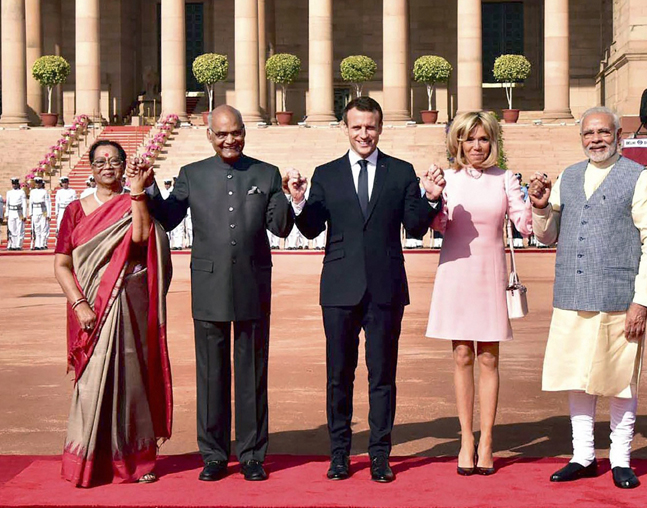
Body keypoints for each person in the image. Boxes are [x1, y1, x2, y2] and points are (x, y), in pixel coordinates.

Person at [285, 97, 445, 483]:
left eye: (370, 126)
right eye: (356, 127)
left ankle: (379, 454)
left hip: (386, 288)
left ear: (380, 127)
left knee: (382, 375)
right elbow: (310, 228)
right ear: (345, 127)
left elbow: (417, 227)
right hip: (339, 288)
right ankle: (339, 453)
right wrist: (298, 198)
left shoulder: (401, 171)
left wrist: (430, 197)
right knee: (338, 375)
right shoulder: (327, 173)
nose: (364, 134)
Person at [133, 105, 294, 482]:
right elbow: (169, 218)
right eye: (221, 134)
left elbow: (282, 228)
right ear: (209, 136)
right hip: (208, 285)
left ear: (244, 132)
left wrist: (287, 195)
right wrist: (150, 186)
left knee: (252, 373)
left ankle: (253, 455)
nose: (229, 140)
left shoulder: (266, 173)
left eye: (235, 133)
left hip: (253, 284)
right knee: (211, 374)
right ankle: (215, 455)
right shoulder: (192, 174)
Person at [529, 106, 647, 489]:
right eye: (589, 134)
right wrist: (540, 207)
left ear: (618, 135)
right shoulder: (569, 177)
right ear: (581, 138)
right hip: (573, 293)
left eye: (604, 132)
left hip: (620, 296)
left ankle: (621, 459)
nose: (596, 139)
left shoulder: (637, 178)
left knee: (620, 380)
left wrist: (641, 300)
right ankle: (583, 456)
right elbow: (547, 235)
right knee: (578, 376)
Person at [54, 140, 172, 487]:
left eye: (115, 160)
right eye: (101, 161)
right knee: (90, 385)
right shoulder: (76, 210)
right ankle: (87, 462)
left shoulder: (134, 202)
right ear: (90, 168)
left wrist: (137, 192)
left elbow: (139, 237)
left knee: (131, 380)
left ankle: (134, 462)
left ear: (123, 166)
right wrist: (79, 304)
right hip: (89, 306)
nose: (108, 166)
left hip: (128, 304)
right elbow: (62, 264)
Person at [425, 111, 532, 476]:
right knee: (461, 355)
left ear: (493, 142)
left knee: (488, 357)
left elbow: (525, 224)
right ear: (457, 142)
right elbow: (439, 225)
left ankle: (486, 439)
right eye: (469, 139)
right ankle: (465, 439)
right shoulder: (449, 179)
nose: (476, 146)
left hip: (490, 271)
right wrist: (433, 197)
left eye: (483, 138)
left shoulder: (506, 179)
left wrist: (537, 201)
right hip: (455, 270)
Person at [29, 177, 51, 250]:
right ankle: (37, 244)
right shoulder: (32, 192)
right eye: (36, 183)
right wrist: (30, 213)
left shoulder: (44, 191)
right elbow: (30, 203)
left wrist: (48, 214)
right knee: (36, 228)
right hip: (35, 210)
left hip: (43, 210)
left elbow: (48, 203)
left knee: (43, 227)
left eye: (39, 183)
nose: (38, 184)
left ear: (42, 184)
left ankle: (43, 243)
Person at [5, 178, 27, 250]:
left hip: (19, 212)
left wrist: (24, 215)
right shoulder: (9, 192)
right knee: (12, 229)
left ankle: (19, 245)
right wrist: (7, 213)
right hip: (11, 211)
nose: (14, 185)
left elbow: (24, 204)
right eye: (13, 184)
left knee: (19, 229)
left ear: (18, 184)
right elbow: (7, 204)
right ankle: (12, 244)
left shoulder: (21, 192)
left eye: (15, 184)